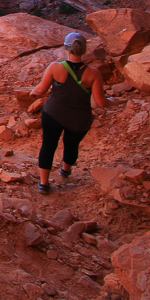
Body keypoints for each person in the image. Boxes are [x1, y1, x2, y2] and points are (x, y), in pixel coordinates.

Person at [29, 32, 109, 194]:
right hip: (79, 118)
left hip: (53, 114)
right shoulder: (93, 73)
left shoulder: (55, 67)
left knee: (48, 145)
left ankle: (44, 184)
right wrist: (115, 101)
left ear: (66, 48)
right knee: (72, 144)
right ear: (84, 50)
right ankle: (65, 170)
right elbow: (101, 102)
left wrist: (33, 93)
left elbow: (41, 90)